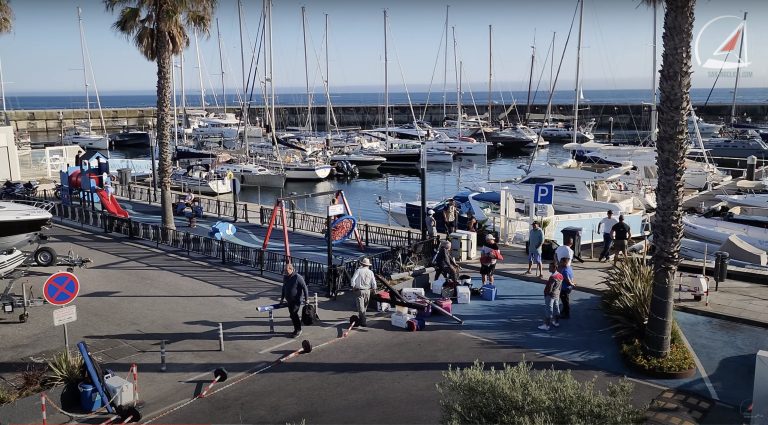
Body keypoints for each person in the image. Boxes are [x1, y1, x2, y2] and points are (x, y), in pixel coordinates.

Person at [280, 263, 308, 338]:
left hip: (296, 300)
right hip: (289, 300)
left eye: (286, 270)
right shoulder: (285, 277)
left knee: (294, 314)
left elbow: (305, 288)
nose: (285, 272)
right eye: (284, 270)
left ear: (291, 269)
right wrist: (282, 298)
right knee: (292, 315)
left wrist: (306, 299)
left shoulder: (298, 277)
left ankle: (298, 330)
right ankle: (297, 328)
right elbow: (284, 288)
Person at [351, 257, 377, 327]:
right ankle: (362, 320)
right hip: (368, 291)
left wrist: (353, 287)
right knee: (364, 307)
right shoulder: (371, 272)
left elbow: (353, 280)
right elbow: (373, 282)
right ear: (368, 265)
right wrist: (374, 289)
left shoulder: (358, 270)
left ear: (362, 264)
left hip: (359, 290)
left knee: (360, 307)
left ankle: (363, 321)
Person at [538, 262, 562, 331]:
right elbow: (560, 287)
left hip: (550, 296)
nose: (549, 268)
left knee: (549, 310)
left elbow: (549, 288)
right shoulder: (560, 275)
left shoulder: (552, 277)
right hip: (557, 295)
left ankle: (547, 325)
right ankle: (556, 322)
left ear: (555, 268)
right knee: (557, 308)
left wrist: (546, 294)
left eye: (550, 267)